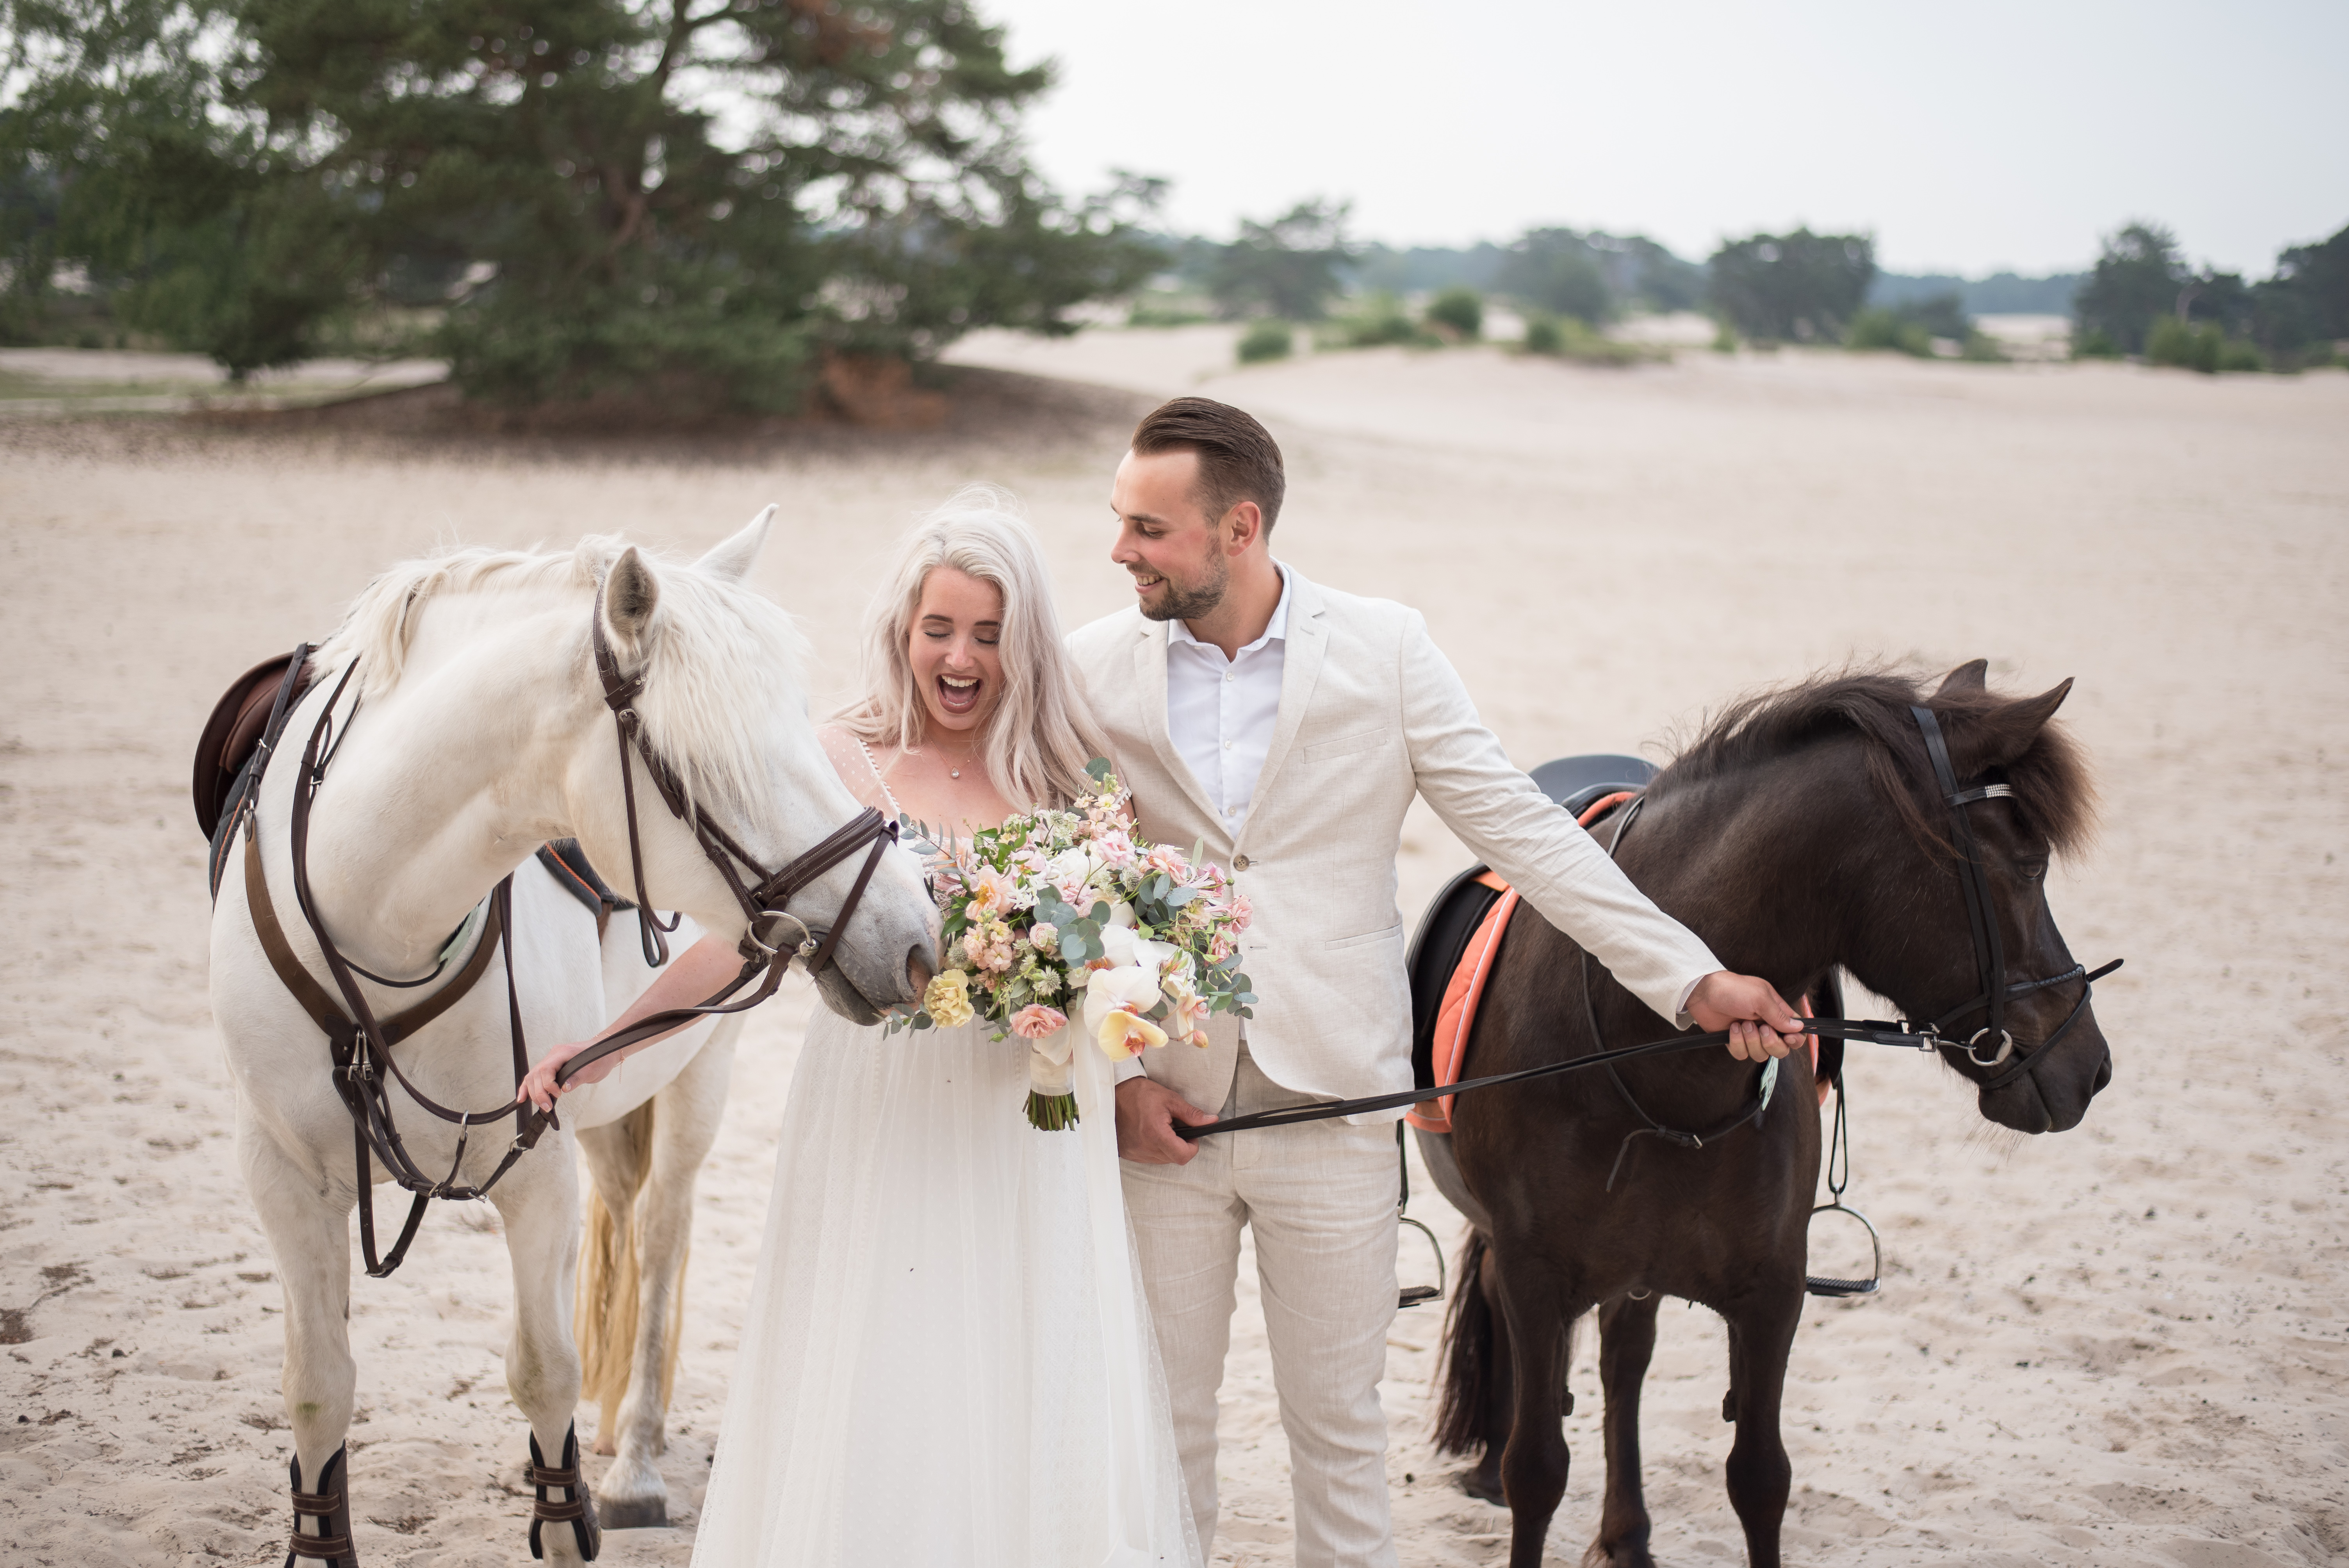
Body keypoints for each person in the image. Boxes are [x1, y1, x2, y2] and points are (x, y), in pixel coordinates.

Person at [1067, 397, 1804, 1568]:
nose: (1120, 551)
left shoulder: (1386, 648)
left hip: (1338, 1109)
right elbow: (1071, 890)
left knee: (1339, 1431)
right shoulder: (1089, 669)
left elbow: (1525, 831)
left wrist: (1694, 980)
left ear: (1239, 528)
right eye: (1121, 522)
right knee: (1165, 1430)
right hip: (1164, 1112)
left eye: (1149, 529)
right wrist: (1115, 1076)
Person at [519, 489, 1201, 1568]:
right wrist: (606, 1042)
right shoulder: (836, 759)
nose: (961, 657)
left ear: (1022, 643)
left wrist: (1131, 1055)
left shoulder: (1073, 778)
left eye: (988, 634)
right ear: (903, 631)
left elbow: (1128, 966)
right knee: (883, 1360)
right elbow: (735, 943)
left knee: (1027, 1367)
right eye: (940, 630)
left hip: (1030, 1129)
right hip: (877, 1110)